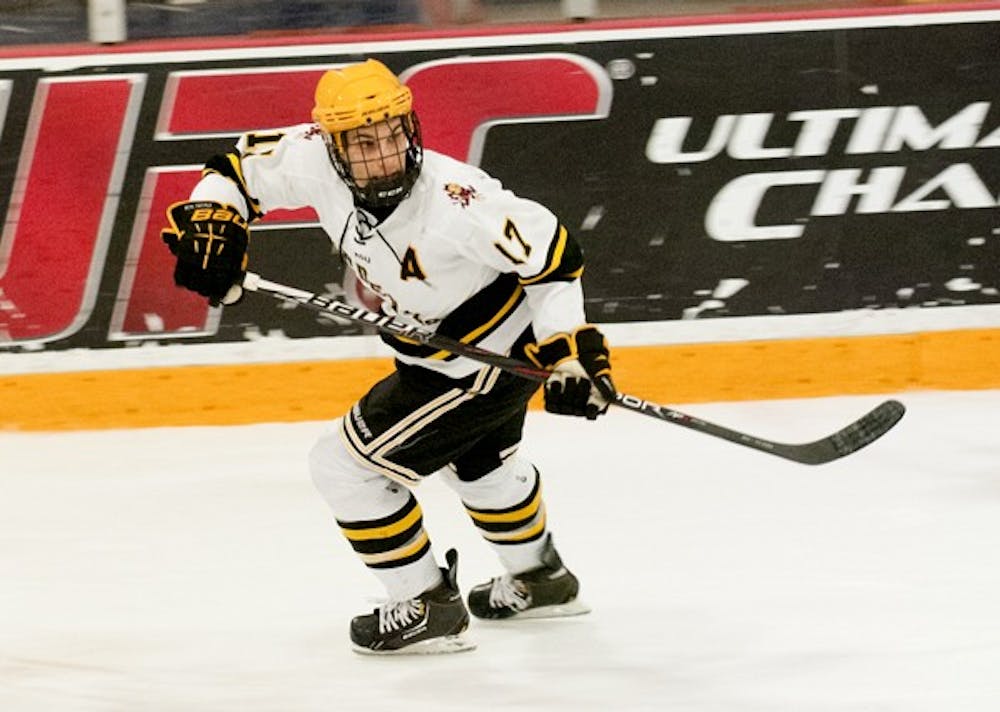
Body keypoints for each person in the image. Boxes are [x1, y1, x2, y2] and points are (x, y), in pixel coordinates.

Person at [161, 59, 615, 655]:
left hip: (478, 358)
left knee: (343, 467)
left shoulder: (458, 201)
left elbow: (553, 259)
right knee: (479, 467)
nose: (386, 154)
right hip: (445, 352)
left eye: (395, 133)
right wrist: (214, 218)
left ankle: (425, 601)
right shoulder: (311, 157)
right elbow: (235, 170)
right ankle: (541, 578)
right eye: (365, 142)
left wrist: (573, 356)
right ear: (334, 146)